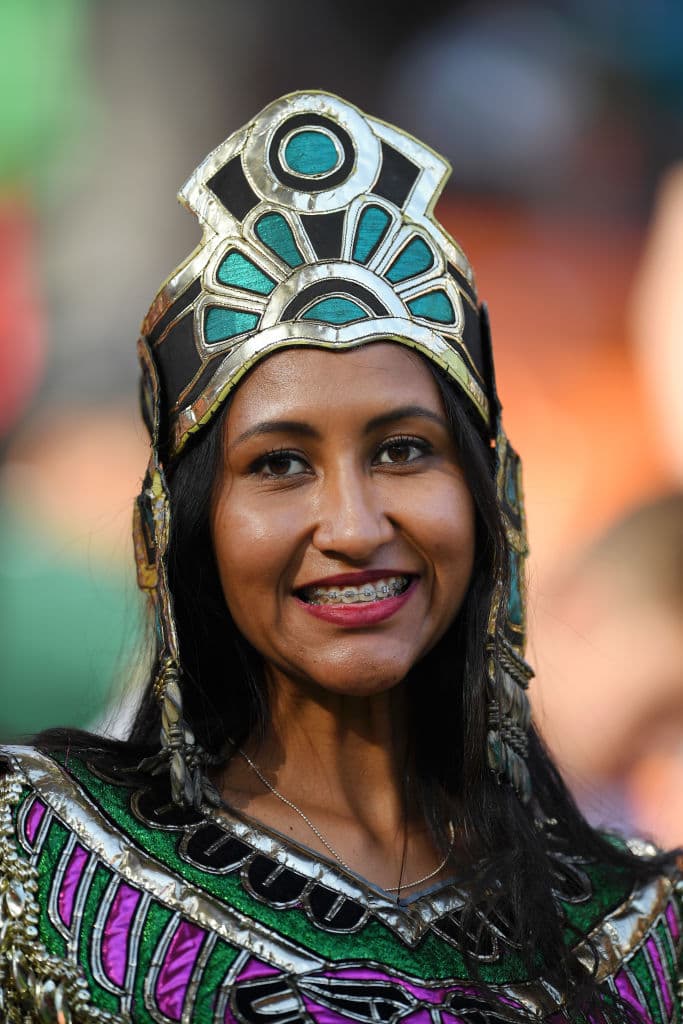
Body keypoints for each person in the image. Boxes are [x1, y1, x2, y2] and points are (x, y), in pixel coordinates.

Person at [0, 90, 679, 1024]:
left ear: (491, 502)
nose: (353, 525)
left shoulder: (638, 930)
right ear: (183, 527)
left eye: (403, 450)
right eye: (278, 464)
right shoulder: (36, 859)